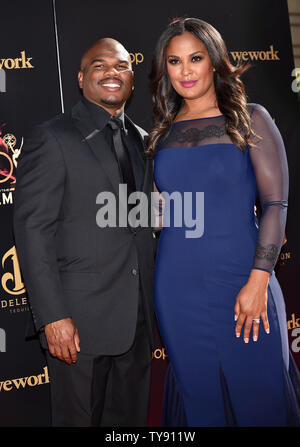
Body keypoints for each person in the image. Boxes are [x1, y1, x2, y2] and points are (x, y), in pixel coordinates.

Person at [147, 17, 300, 426]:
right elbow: (165, 212)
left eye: (195, 58)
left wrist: (258, 280)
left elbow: (275, 205)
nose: (185, 71)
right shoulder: (161, 134)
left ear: (214, 61)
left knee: (261, 398)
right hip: (177, 290)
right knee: (200, 403)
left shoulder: (251, 119)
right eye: (174, 62)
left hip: (244, 280)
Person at [13, 38, 156, 427]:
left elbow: (139, 224)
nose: (112, 72)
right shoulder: (52, 137)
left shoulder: (142, 139)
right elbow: (33, 230)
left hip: (138, 321)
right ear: (80, 78)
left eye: (122, 66)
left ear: (132, 78)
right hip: (78, 326)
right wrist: (53, 317)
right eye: (99, 65)